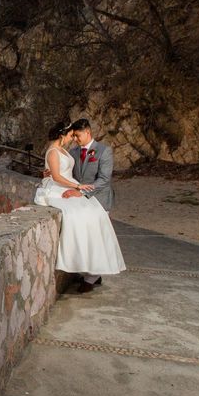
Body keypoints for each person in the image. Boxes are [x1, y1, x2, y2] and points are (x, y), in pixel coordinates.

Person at [33, 121, 126, 292]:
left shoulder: (104, 151)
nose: (74, 139)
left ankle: (93, 275)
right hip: (73, 191)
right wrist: (49, 174)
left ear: (88, 132)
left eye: (77, 135)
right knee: (85, 228)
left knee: (98, 229)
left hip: (97, 196)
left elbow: (104, 180)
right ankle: (90, 273)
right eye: (72, 135)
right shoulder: (72, 152)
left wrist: (80, 191)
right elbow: (58, 170)